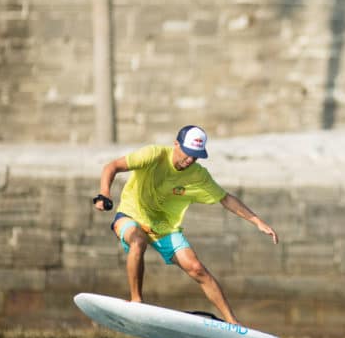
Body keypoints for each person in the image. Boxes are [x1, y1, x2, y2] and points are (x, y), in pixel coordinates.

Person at [93, 125, 278, 324]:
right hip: (131, 215)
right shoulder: (153, 155)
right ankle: (137, 301)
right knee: (138, 241)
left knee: (197, 268)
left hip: (163, 226)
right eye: (188, 153)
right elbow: (112, 166)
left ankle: (233, 323)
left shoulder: (198, 174)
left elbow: (225, 199)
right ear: (176, 144)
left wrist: (257, 221)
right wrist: (104, 193)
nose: (190, 160)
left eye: (196, 156)